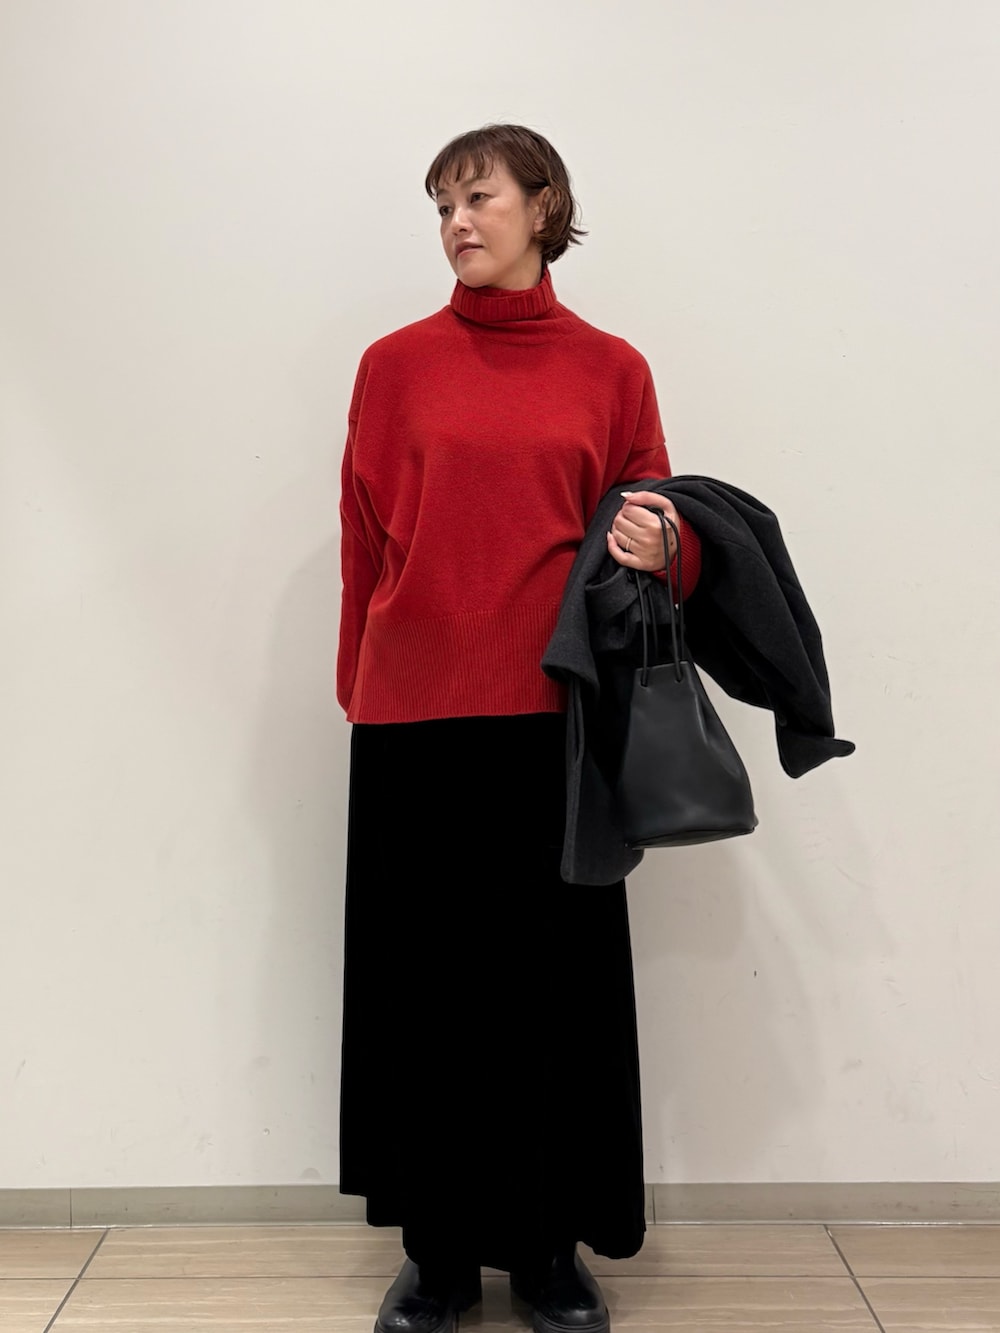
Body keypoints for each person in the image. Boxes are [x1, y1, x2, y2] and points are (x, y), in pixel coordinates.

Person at [336, 124, 702, 1333]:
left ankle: (548, 1249)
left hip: (554, 718)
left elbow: (659, 524)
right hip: (414, 715)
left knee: (550, 996)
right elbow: (362, 534)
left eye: (478, 197)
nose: (457, 223)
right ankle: (437, 1252)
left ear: (544, 207)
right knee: (426, 994)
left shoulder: (611, 368)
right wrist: (358, 680)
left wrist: (666, 542)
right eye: (441, 205)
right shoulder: (392, 365)